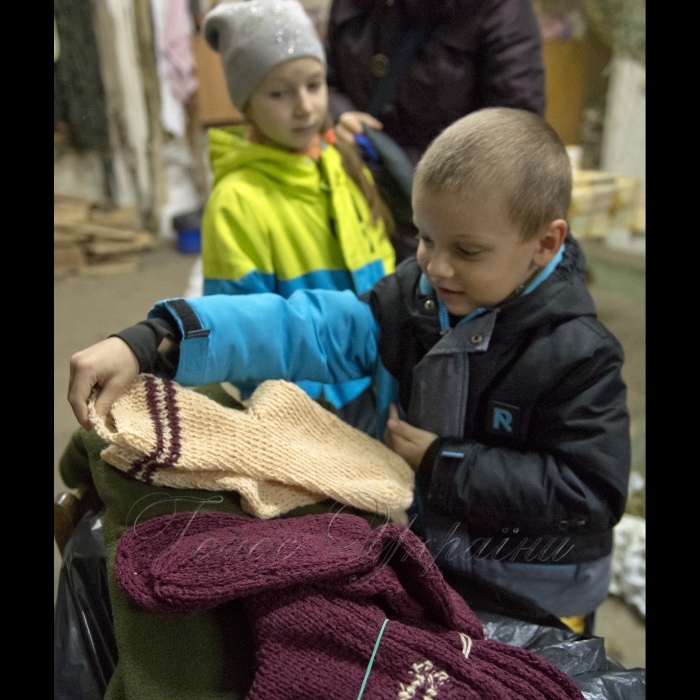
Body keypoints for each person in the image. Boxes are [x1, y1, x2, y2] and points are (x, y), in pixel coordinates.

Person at [68, 108, 630, 631]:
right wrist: (155, 340)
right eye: (427, 238)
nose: (436, 265)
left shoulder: (579, 355)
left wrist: (442, 462)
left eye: (467, 250)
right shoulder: (417, 298)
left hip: (538, 590)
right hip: (434, 553)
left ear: (545, 242)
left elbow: (591, 494)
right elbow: (301, 327)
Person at [196, 0, 396, 432]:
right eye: (279, 93)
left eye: (314, 84)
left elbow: (382, 269)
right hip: (305, 408)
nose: (305, 106)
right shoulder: (236, 201)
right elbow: (239, 331)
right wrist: (291, 409)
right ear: (246, 103)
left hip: (374, 383)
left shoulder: (342, 163)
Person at [325, 0, 546, 261]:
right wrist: (340, 117)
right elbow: (324, 81)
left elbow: (515, 129)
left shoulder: (498, 9)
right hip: (361, 199)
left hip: (449, 212)